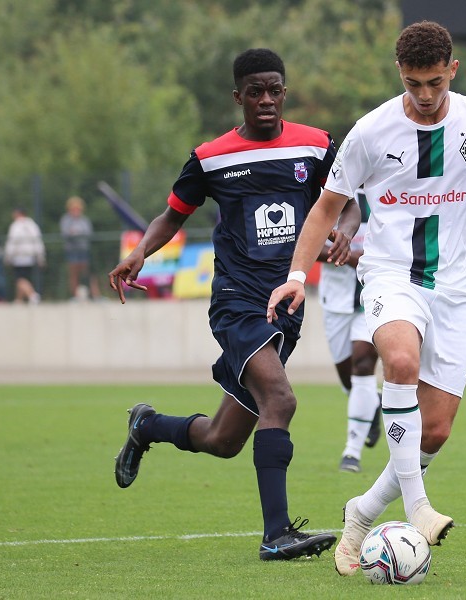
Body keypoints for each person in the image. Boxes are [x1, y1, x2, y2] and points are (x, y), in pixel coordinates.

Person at [267, 21, 466, 576]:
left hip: (455, 291)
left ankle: (362, 511)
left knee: (435, 431)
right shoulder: (369, 133)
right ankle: (417, 507)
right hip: (390, 276)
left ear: (452, 70)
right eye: (414, 83)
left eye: (434, 82)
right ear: (399, 74)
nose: (426, 95)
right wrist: (295, 273)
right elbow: (324, 210)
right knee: (400, 361)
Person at [107, 49, 360, 561]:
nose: (265, 100)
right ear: (238, 96)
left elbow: (350, 201)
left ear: (284, 91)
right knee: (281, 401)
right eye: (255, 91)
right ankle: (276, 534)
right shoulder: (210, 157)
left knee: (223, 439)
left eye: (274, 89)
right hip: (237, 303)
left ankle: (147, 425)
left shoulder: (316, 146)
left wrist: (344, 234)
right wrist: (138, 253)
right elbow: (171, 216)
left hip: (286, 304)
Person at [317, 191, 382, 473]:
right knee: (349, 380)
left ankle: (351, 452)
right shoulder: (329, 193)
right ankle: (373, 404)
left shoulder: (390, 188)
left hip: (375, 294)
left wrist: (366, 259)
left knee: (363, 362)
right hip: (336, 300)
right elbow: (307, 242)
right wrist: (345, 255)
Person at [60, 195, 101, 300]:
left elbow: (88, 232)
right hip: (72, 250)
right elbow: (65, 233)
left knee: (87, 273)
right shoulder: (66, 220)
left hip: (83, 249)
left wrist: (76, 233)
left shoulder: (84, 220)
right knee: (74, 273)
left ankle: (94, 294)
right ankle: (75, 295)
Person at [3, 207, 45, 304]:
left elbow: (11, 243)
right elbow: (38, 241)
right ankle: (19, 300)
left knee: (20, 279)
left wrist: (7, 257)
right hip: (30, 256)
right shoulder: (32, 225)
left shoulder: (15, 226)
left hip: (19, 256)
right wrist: (40, 256)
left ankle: (32, 295)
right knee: (24, 278)